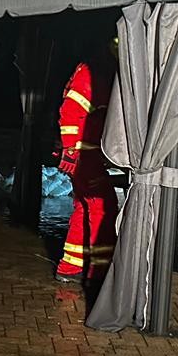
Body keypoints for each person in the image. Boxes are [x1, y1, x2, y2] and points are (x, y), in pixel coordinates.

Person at [54, 49, 119, 284]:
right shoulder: (92, 72)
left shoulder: (104, 71)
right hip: (83, 155)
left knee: (85, 206)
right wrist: (71, 152)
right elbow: (70, 111)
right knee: (103, 205)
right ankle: (98, 272)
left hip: (88, 154)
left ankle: (70, 267)